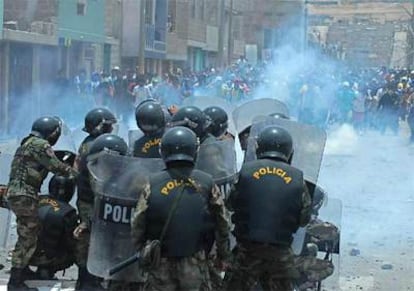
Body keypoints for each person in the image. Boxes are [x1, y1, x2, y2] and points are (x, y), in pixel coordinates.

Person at [131, 126, 231, 291]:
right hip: (195, 262)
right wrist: (223, 255)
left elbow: (137, 223)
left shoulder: (152, 183)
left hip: (160, 262)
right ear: (195, 151)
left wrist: (143, 251)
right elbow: (223, 222)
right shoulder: (206, 182)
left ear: (163, 151)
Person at [225, 126, 312, 291]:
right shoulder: (298, 178)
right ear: (289, 151)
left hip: (247, 250)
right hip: (280, 253)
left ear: (260, 147)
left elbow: (230, 204)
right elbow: (304, 219)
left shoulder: (245, 172)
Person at [6, 116, 77, 290]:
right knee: (27, 237)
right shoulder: (41, 145)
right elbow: (55, 167)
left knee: (28, 232)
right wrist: (76, 174)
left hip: (16, 193)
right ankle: (15, 281)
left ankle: (22, 271)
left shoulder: (27, 143)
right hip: (25, 194)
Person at [75, 108, 116, 290]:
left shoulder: (88, 142)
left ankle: (84, 279)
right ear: (101, 126)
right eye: (108, 125)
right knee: (94, 239)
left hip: (85, 198)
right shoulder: (95, 147)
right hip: (91, 200)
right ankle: (89, 281)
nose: (111, 128)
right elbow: (95, 179)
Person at [29, 174, 78, 280]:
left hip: (27, 255)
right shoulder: (69, 212)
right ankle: (46, 270)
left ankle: (24, 270)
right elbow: (70, 242)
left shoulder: (35, 201)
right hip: (53, 259)